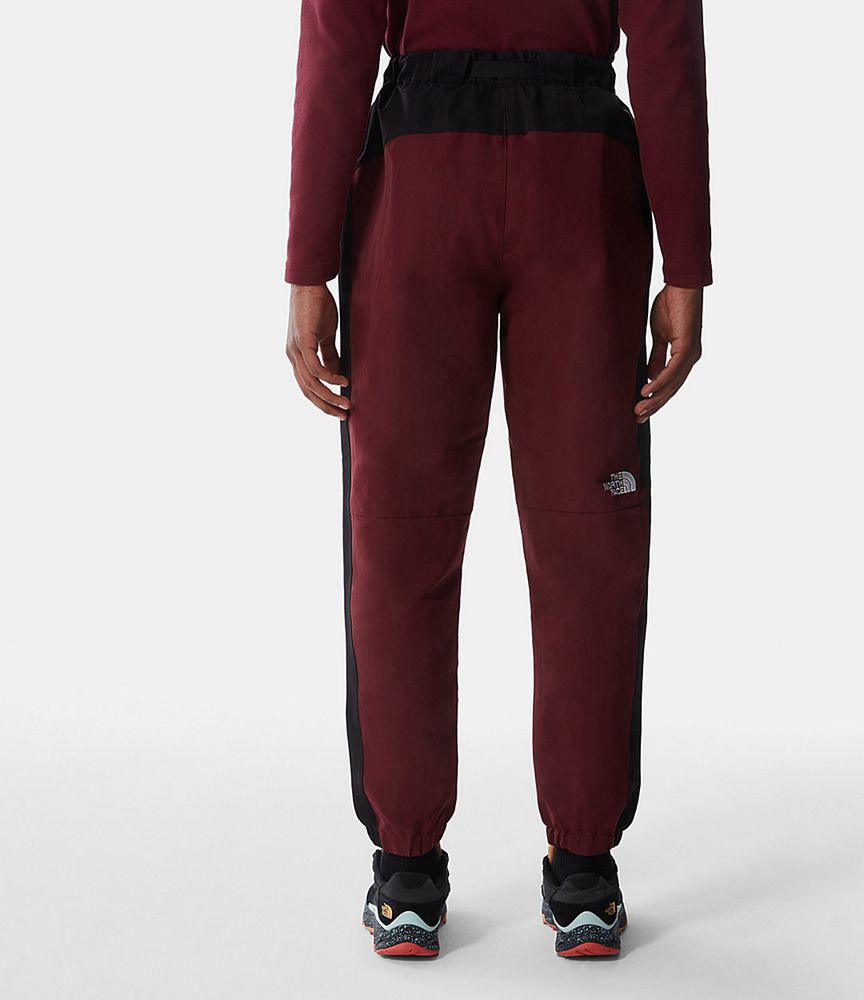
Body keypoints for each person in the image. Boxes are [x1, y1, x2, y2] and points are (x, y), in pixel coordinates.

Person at [284, 0, 711, 959]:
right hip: (580, 184)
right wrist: (685, 261)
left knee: (400, 536)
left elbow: (338, 40)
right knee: (588, 539)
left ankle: (405, 873)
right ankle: (584, 870)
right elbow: (666, 41)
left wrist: (310, 264)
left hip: (419, 182)